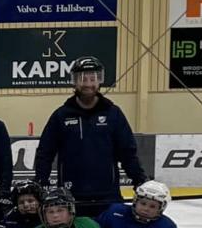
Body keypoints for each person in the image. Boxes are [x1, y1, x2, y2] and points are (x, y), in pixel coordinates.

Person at [34, 57, 147, 218]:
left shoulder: (113, 114)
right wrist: (40, 182)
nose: (88, 84)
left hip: (108, 195)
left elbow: (127, 152)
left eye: (93, 78)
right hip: (71, 196)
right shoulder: (61, 115)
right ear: (74, 81)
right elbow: (45, 153)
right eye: (82, 79)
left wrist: (139, 179)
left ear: (99, 80)